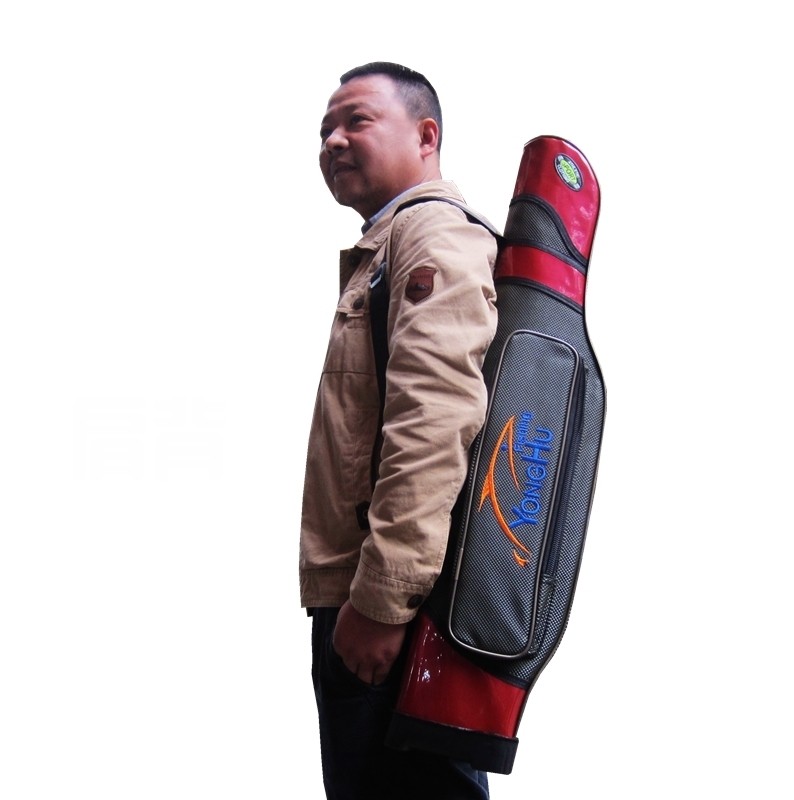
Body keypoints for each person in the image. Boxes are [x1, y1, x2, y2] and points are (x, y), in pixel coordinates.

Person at [300, 61, 498, 800]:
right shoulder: (387, 248)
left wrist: (383, 600)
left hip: (393, 609)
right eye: (324, 129)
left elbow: (435, 416)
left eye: (356, 120)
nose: (333, 141)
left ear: (425, 136)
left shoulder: (429, 232)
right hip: (377, 599)